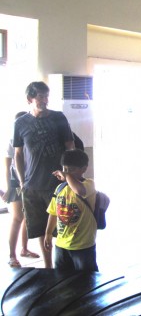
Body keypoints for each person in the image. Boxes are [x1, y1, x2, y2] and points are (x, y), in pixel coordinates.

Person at [13, 81, 75, 268]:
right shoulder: (20, 123)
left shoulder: (58, 118)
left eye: (46, 96)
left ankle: (66, 266)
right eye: (40, 96)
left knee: (65, 226)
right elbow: (17, 154)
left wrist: (68, 174)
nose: (44, 100)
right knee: (41, 229)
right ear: (30, 99)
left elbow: (70, 146)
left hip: (58, 183)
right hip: (33, 185)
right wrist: (22, 181)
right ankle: (49, 267)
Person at [44, 149, 98, 272]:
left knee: (86, 279)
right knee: (61, 278)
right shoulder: (59, 188)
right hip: (61, 245)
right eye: (65, 169)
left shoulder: (89, 184)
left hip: (83, 246)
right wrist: (48, 233)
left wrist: (67, 176)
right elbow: (53, 212)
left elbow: (80, 191)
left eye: (72, 170)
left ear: (84, 169)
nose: (67, 173)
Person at [3, 111, 40, 268]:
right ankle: (12, 255)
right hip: (16, 181)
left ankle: (24, 249)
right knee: (18, 217)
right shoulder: (12, 141)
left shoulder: (32, 137)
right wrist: (7, 188)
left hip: (30, 180)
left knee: (27, 216)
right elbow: (7, 166)